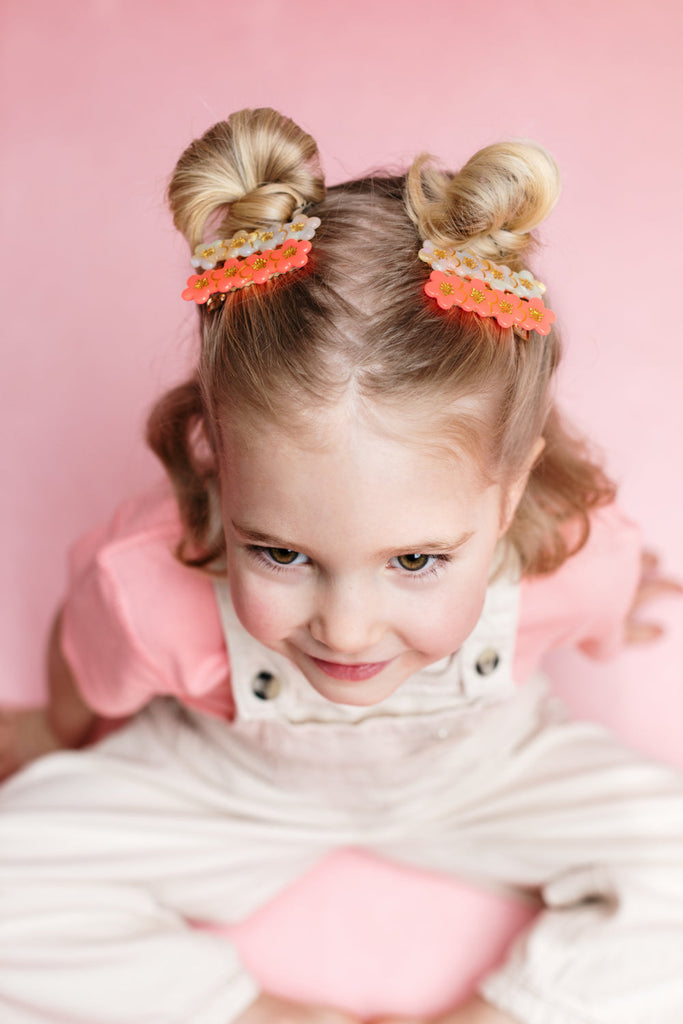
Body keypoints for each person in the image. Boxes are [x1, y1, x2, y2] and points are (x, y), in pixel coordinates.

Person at [1, 106, 682, 1024]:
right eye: (280, 551)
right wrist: (59, 731)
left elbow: (604, 595)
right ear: (215, 464)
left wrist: (621, 603)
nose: (347, 630)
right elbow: (86, 660)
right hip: (234, 786)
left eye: (415, 560)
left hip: (484, 773)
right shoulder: (147, 582)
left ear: (510, 493)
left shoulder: (577, 556)